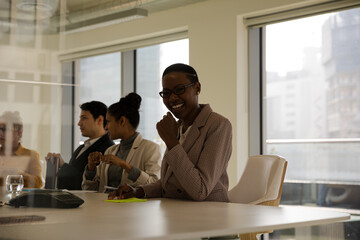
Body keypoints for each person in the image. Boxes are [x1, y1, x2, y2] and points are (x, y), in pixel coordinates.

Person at [109, 63, 232, 202]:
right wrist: (139, 191)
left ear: (197, 88)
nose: (172, 98)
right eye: (166, 93)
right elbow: (170, 183)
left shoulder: (218, 125)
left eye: (179, 89)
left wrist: (171, 142)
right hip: (176, 211)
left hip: (210, 215)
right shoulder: (178, 127)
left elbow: (200, 190)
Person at [82, 93, 161, 193]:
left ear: (122, 121)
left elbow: (154, 185)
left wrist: (125, 165)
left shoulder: (150, 148)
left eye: (109, 122)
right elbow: (90, 190)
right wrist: (91, 168)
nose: (106, 127)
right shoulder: (110, 150)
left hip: (132, 208)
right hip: (105, 206)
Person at [46, 101, 114, 190]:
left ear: (99, 120)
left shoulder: (108, 149)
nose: (79, 123)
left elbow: (88, 184)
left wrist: (63, 166)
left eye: (84, 118)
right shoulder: (83, 147)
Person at [0, 111, 43, 188]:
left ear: (19, 133)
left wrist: (17, 173)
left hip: (17, 199)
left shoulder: (31, 155)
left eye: (4, 129)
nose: (0, 133)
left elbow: (38, 184)